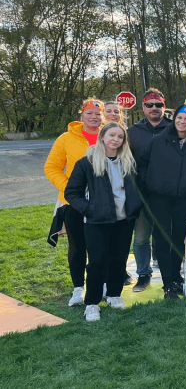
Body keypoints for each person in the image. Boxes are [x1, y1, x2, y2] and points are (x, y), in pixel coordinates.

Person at [65, 123, 142, 320]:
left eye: (120, 137)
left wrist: (135, 206)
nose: (116, 140)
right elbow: (71, 192)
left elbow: (136, 188)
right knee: (97, 262)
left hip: (124, 220)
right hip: (97, 222)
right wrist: (89, 209)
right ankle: (92, 303)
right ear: (102, 137)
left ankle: (114, 295)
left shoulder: (128, 162)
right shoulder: (87, 163)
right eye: (112, 135)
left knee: (119, 259)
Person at [137, 104, 186, 299]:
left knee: (179, 239)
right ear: (174, 118)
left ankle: (176, 278)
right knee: (162, 239)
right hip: (159, 198)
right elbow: (142, 164)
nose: (182, 122)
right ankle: (167, 283)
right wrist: (149, 184)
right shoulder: (158, 141)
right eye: (179, 117)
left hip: (184, 199)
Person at [44, 98, 103, 307]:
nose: (94, 117)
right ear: (82, 115)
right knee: (77, 245)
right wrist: (69, 189)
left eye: (98, 114)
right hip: (73, 202)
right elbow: (52, 167)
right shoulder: (66, 138)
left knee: (100, 244)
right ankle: (78, 287)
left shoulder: (109, 135)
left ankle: (101, 284)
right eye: (89, 113)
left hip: (102, 201)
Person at [127, 89, 171, 291]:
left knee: (167, 236)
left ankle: (171, 274)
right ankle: (143, 275)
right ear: (143, 107)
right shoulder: (132, 132)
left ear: (164, 106)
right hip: (142, 194)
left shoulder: (173, 127)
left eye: (158, 105)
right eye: (150, 105)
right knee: (141, 238)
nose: (154, 108)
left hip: (167, 194)